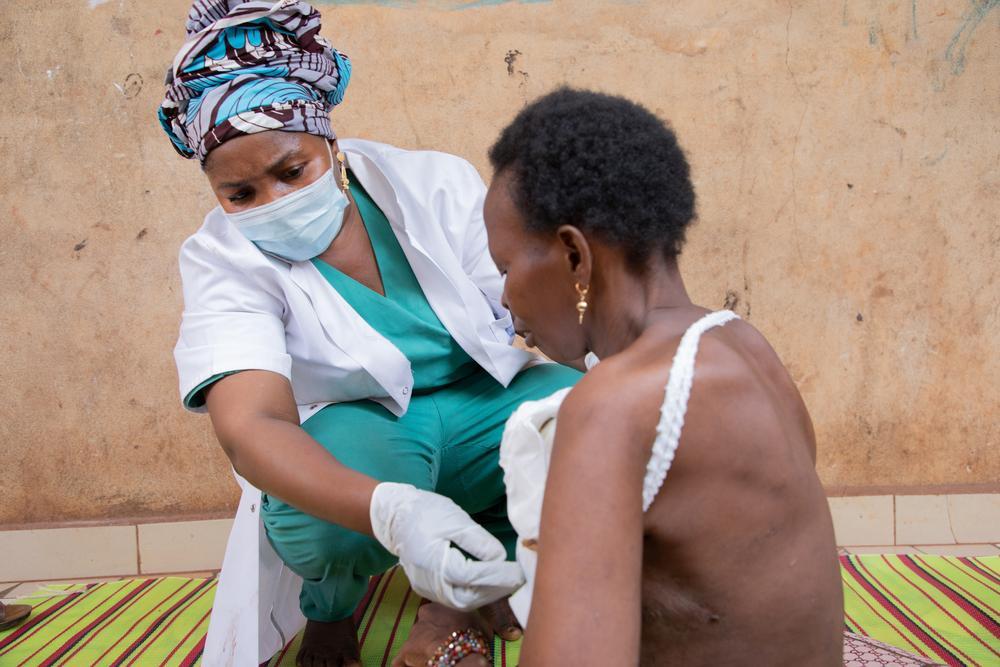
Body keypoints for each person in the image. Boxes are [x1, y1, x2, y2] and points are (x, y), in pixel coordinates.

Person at [158, 2, 579, 665]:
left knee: (593, 419)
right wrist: (389, 510)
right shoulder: (221, 260)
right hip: (370, 423)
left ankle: (467, 591)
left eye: (292, 171)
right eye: (240, 194)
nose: (274, 202)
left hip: (483, 398)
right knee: (316, 521)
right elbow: (252, 426)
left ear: (329, 143)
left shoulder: (432, 183)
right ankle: (330, 608)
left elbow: (524, 303)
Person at [396, 88, 845, 666]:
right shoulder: (738, 339)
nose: (504, 300)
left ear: (575, 257)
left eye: (506, 267)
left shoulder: (614, 406)